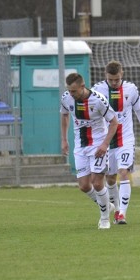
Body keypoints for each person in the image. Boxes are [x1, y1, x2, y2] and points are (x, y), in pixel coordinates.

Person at [92, 61, 140, 225]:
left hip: (125, 139)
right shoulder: (97, 90)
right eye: (111, 80)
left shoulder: (131, 89)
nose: (113, 82)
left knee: (123, 172)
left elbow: (139, 111)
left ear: (122, 74)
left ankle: (122, 214)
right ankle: (117, 208)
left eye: (117, 80)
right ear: (106, 75)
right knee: (110, 178)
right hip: (106, 140)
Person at [60, 73, 119, 229]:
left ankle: (105, 218)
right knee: (84, 186)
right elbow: (64, 115)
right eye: (69, 90)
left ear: (82, 86)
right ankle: (106, 205)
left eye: (74, 91)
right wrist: (64, 139)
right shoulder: (66, 98)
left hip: (98, 145)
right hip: (80, 146)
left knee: (97, 183)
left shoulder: (98, 100)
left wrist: (105, 145)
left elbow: (114, 122)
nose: (71, 94)